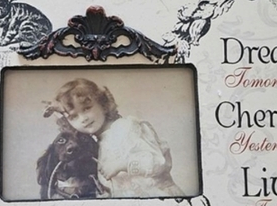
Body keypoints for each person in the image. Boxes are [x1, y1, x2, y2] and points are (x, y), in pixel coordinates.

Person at [44, 78, 184, 198]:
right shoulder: (98, 143)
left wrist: (122, 164)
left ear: (103, 105)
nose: (83, 119)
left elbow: (159, 162)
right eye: (74, 116)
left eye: (87, 108)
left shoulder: (126, 128)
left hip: (158, 199)